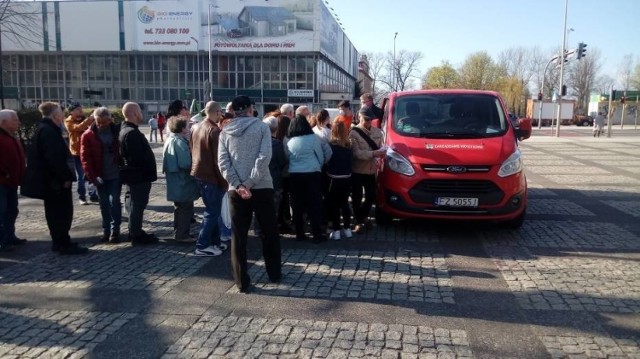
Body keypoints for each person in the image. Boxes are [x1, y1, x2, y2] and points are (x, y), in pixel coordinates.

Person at [218, 95, 281, 293]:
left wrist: (238, 184)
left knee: (239, 236)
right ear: (250, 109)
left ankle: (241, 281)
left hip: (236, 191)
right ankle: (274, 273)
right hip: (261, 186)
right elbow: (264, 157)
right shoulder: (261, 127)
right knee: (269, 231)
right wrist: (249, 182)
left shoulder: (224, 132)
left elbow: (223, 162)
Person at [23, 102, 88, 254]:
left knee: (57, 213)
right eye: (60, 112)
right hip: (55, 183)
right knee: (59, 213)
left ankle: (62, 241)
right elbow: (54, 158)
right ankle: (62, 243)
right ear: (54, 115)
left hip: (52, 181)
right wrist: (64, 177)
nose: (63, 115)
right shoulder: (48, 131)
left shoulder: (47, 129)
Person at [190, 101, 230, 256]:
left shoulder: (197, 127)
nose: (222, 115)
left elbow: (191, 150)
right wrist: (224, 181)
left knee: (212, 211)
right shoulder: (214, 130)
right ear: (217, 112)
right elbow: (218, 160)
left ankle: (214, 242)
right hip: (211, 177)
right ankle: (202, 245)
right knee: (212, 212)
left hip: (199, 173)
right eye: (221, 112)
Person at [80, 107, 122, 243]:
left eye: (104, 122)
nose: (101, 125)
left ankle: (115, 230)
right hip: (99, 175)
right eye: (98, 122)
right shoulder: (87, 135)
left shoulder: (116, 131)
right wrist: (92, 176)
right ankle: (106, 230)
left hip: (115, 173)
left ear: (110, 120)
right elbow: (85, 158)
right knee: (103, 204)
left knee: (114, 201)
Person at [119, 102, 159, 245]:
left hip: (135, 176)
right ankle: (136, 234)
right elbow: (137, 158)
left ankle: (135, 231)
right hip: (138, 177)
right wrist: (146, 170)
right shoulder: (131, 133)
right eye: (140, 112)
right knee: (137, 205)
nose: (142, 114)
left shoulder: (126, 130)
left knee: (134, 204)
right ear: (135, 113)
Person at [286, 114, 326, 243]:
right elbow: (320, 156)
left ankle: (299, 233)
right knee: (314, 205)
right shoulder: (313, 138)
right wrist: (318, 166)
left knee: (297, 206)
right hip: (312, 173)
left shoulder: (289, 141)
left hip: (294, 174)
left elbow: (287, 158)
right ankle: (317, 234)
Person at [163, 116, 201, 242]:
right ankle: (183, 235)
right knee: (185, 208)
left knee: (178, 208)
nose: (189, 128)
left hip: (174, 181)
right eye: (187, 126)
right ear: (182, 128)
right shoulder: (179, 142)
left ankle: (178, 232)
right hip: (182, 180)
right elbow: (185, 163)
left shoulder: (170, 139)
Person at [349, 107, 385, 234]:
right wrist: (375, 153)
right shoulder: (353, 132)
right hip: (358, 170)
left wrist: (383, 152)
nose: (369, 122)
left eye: (370, 120)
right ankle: (358, 222)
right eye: (366, 120)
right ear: (360, 117)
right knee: (357, 198)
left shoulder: (377, 132)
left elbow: (381, 145)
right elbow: (357, 153)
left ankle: (363, 216)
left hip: (371, 170)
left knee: (371, 196)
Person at [0, 110, 26, 252]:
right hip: (3, 182)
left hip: (11, 182)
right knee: (1, 212)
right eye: (15, 120)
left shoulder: (11, 136)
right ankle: (2, 240)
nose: (18, 122)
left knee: (11, 211)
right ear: (4, 122)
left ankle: (9, 236)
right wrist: (5, 173)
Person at [64, 102, 97, 205]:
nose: (80, 111)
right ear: (72, 111)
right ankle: (82, 196)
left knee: (91, 173)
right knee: (81, 176)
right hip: (77, 152)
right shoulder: (68, 121)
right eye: (78, 109)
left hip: (88, 150)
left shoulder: (84, 119)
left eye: (81, 109)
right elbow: (78, 128)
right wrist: (90, 119)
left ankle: (93, 194)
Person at [326, 121, 353, 241]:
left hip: (333, 178)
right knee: (345, 203)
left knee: (334, 205)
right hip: (346, 178)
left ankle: (336, 231)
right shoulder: (349, 146)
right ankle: (347, 229)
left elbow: (326, 160)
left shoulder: (330, 146)